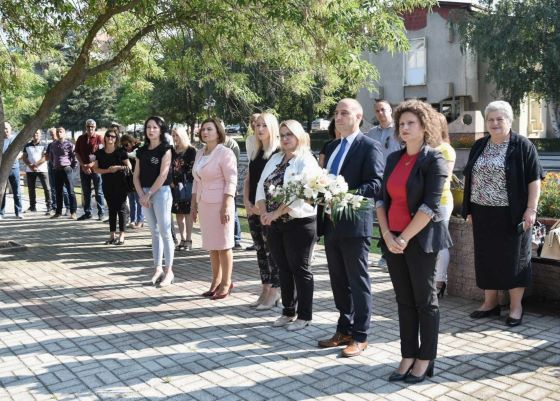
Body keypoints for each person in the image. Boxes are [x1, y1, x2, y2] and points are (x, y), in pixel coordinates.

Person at [376, 100, 451, 383]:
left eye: (411, 123)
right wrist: (387, 236)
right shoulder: (393, 159)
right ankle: (407, 355)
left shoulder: (434, 160)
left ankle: (425, 358)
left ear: (424, 126)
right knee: (404, 301)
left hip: (420, 241)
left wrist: (405, 237)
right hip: (392, 239)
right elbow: (381, 200)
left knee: (425, 301)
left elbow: (430, 207)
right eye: (401, 124)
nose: (404, 128)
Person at [462, 100, 542, 327]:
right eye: (490, 119)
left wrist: (531, 209)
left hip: (512, 214)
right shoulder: (479, 145)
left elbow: (534, 179)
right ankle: (490, 303)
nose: (495, 123)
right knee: (486, 258)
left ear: (509, 120)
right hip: (482, 212)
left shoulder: (523, 145)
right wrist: (469, 210)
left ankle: (516, 307)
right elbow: (470, 178)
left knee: (515, 260)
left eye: (500, 119)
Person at [317, 98, 384, 357]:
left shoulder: (369, 146)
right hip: (331, 223)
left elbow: (376, 184)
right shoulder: (333, 146)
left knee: (357, 281)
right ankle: (344, 329)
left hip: (355, 224)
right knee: (338, 281)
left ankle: (360, 335)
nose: (338, 117)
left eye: (344, 113)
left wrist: (345, 193)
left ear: (359, 117)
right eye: (336, 113)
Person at [256, 120, 321, 330]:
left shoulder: (306, 160)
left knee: (300, 270)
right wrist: (264, 212)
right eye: (282, 135)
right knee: (283, 269)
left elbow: (299, 194)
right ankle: (288, 311)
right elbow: (261, 186)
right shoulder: (275, 158)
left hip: (299, 223)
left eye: (289, 134)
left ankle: (304, 316)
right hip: (275, 223)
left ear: (299, 136)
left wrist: (274, 213)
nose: (285, 138)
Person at [191, 118, 237, 300]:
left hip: (220, 204)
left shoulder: (225, 153)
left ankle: (226, 283)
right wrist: (193, 204)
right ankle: (216, 281)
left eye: (209, 129)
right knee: (212, 245)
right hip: (204, 204)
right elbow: (196, 181)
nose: (205, 132)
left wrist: (226, 205)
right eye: (203, 129)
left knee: (224, 245)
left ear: (218, 132)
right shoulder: (200, 153)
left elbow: (231, 180)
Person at [243, 112, 281, 309]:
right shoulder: (256, 151)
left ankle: (275, 291)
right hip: (253, 208)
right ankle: (265, 288)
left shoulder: (278, 153)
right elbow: (249, 179)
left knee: (272, 252)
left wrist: (262, 208)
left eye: (264, 125)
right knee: (260, 251)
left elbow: (278, 185)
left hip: (268, 210)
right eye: (257, 125)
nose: (259, 129)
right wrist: (246, 202)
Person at [133, 116, 175, 287]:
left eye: (155, 127)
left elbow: (163, 175)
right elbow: (135, 176)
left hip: (161, 192)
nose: (151, 130)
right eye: (148, 127)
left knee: (165, 231)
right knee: (154, 232)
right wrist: (141, 195)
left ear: (161, 130)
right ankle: (157, 268)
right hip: (144, 193)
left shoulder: (166, 149)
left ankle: (169, 270)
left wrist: (149, 194)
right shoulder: (141, 151)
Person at [366, 99, 402, 272]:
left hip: (396, 180)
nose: (380, 113)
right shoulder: (371, 133)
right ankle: (384, 254)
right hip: (377, 180)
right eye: (377, 110)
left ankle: (393, 255)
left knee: (394, 216)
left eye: (383, 109)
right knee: (381, 217)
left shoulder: (399, 130)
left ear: (391, 111)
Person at [93, 128, 131, 245]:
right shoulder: (99, 153)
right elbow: (95, 169)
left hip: (121, 184)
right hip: (107, 184)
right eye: (108, 136)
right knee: (111, 208)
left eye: (113, 136)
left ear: (116, 139)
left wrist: (117, 167)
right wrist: (108, 171)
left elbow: (129, 166)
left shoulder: (121, 151)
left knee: (121, 208)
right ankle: (112, 235)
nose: (110, 138)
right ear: (105, 138)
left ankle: (122, 235)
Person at [432, 113, 456, 298]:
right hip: (427, 202)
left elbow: (444, 178)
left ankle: (440, 281)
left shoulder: (445, 149)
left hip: (440, 202)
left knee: (440, 243)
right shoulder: (426, 147)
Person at [171, 126, 196, 251]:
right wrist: (171, 181)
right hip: (174, 186)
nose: (175, 138)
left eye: (177, 135)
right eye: (173, 135)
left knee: (187, 213)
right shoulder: (172, 150)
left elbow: (193, 169)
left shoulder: (191, 150)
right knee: (178, 214)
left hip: (187, 185)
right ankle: (182, 238)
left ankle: (189, 240)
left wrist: (183, 180)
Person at [75, 119, 105, 221]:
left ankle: (101, 213)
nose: (90, 128)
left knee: (98, 191)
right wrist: (83, 166)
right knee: (86, 191)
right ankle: (87, 213)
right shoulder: (81, 138)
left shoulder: (99, 138)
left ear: (95, 127)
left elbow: (101, 154)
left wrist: (91, 165)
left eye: (92, 126)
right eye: (88, 126)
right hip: (83, 169)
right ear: (86, 127)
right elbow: (77, 153)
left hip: (96, 168)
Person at [47, 127, 78, 219]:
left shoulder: (69, 145)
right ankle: (58, 212)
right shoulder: (53, 145)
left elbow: (74, 158)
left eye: (60, 132)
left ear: (64, 133)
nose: (58, 133)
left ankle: (73, 212)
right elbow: (51, 157)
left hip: (66, 169)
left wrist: (71, 168)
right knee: (58, 191)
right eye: (57, 132)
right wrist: (54, 165)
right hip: (57, 170)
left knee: (70, 191)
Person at [23, 130, 52, 214]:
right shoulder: (27, 145)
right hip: (30, 170)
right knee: (31, 189)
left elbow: (45, 157)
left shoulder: (44, 145)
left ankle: (49, 207)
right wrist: (30, 166)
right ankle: (32, 207)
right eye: (34, 133)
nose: (35, 134)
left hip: (42, 170)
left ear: (40, 135)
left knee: (47, 188)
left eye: (37, 133)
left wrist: (35, 165)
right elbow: (24, 157)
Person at [245, 112, 261, 252]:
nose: (255, 125)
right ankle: (256, 242)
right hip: (254, 180)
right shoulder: (250, 140)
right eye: (253, 122)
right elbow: (251, 160)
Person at [0, 122, 23, 219]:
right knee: (2, 191)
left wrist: (13, 158)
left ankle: (19, 212)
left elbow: (21, 153)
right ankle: (1, 213)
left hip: (14, 168)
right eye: (3, 128)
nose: (5, 130)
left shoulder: (15, 140)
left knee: (17, 191)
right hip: (2, 170)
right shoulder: (1, 140)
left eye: (7, 128)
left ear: (10, 129)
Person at [223, 134, 242, 249]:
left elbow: (234, 166)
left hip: (229, 182)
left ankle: (236, 238)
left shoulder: (231, 144)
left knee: (232, 212)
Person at [120, 134, 144, 229]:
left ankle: (140, 220)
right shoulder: (124, 151)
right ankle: (133, 220)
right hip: (128, 179)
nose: (125, 147)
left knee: (139, 200)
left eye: (127, 145)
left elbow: (135, 155)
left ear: (132, 142)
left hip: (138, 178)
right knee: (131, 201)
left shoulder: (139, 149)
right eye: (123, 145)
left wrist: (125, 154)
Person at [46, 128, 70, 216]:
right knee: (53, 188)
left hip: (62, 168)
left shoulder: (65, 144)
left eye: (53, 133)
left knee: (64, 189)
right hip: (52, 167)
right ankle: (55, 207)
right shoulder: (50, 145)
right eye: (51, 134)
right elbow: (48, 156)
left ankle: (68, 207)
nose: (52, 135)